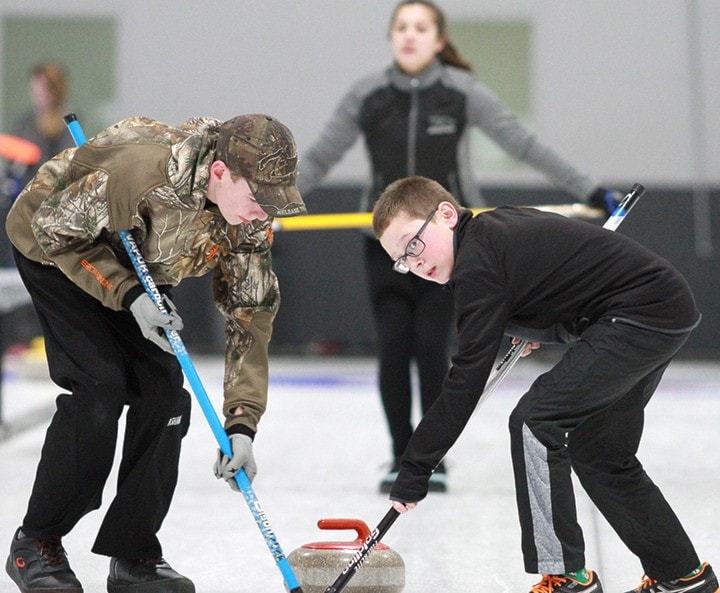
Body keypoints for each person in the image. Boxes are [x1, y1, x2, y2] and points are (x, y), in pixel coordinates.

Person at [297, 0, 620, 494]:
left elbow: (522, 143)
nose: (410, 35)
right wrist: (266, 207)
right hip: (382, 246)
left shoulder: (461, 93)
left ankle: (432, 458)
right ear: (392, 37)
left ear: (439, 40)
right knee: (392, 348)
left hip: (451, 249)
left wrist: (590, 190)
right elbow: (320, 157)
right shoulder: (367, 95)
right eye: (401, 27)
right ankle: (398, 455)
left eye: (421, 27)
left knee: (430, 347)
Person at [4, 113, 306, 593]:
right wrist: (127, 293)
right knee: (99, 389)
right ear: (220, 173)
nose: (261, 214)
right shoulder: (143, 173)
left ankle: (134, 554)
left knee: (164, 396)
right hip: (58, 242)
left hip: (139, 257)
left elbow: (250, 313)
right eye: (256, 199)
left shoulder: (249, 220)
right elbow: (54, 229)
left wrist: (241, 422)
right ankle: (36, 543)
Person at [372, 175, 717, 593]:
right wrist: (539, 321)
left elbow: (466, 379)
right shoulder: (494, 233)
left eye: (414, 243)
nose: (415, 263)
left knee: (535, 422)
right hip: (658, 310)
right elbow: (565, 280)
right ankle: (683, 577)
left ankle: (566, 577)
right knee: (601, 453)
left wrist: (415, 468)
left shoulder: (477, 262)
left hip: (638, 314)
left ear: (446, 214)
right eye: (402, 260)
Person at [13, 62, 75, 187]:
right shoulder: (26, 123)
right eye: (36, 89)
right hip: (28, 190)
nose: (39, 94)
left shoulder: (71, 123)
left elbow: (71, 160)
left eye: (44, 88)